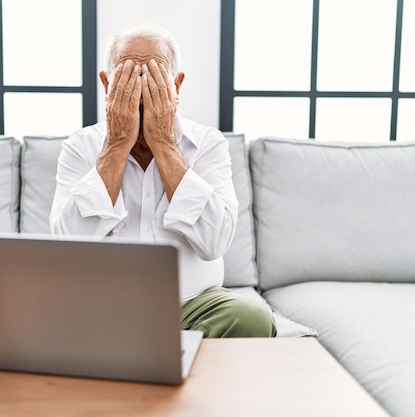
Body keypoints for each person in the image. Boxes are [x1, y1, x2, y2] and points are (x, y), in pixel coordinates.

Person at [50, 23, 276, 338]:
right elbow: (67, 247)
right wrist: (116, 145)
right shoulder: (81, 146)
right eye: (128, 75)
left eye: (154, 75)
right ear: (106, 84)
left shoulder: (208, 143)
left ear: (177, 85)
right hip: (102, 305)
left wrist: (165, 145)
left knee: (251, 316)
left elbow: (215, 242)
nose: (141, 88)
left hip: (192, 306)